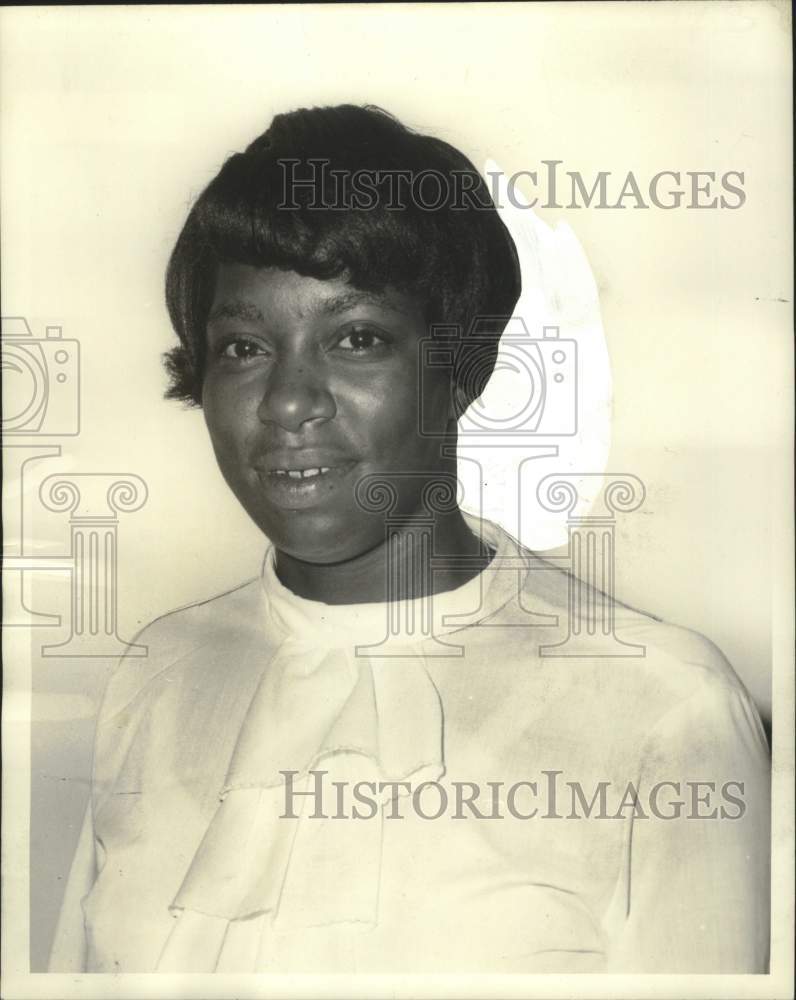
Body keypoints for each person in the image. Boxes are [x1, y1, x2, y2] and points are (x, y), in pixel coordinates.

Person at [48, 104, 770, 974]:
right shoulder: (155, 674)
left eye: (356, 339)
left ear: (460, 370)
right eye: (242, 346)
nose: (286, 403)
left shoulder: (665, 708)